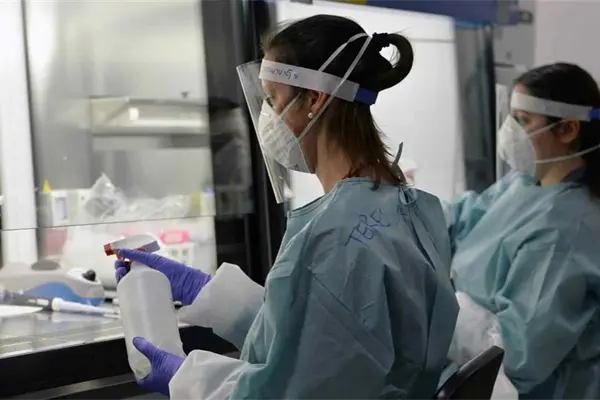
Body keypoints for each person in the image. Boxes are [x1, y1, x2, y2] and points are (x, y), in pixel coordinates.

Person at [115, 15, 458, 400]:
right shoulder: (407, 206)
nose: (267, 116)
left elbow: (290, 388)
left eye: (272, 98)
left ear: (314, 99)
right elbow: (326, 338)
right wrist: (208, 293)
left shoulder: (330, 239)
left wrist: (188, 380)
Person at [447, 63, 600, 399]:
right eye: (511, 118)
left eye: (523, 121)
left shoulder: (566, 230)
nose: (510, 131)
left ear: (568, 129)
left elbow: (518, 355)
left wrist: (443, 311)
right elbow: (463, 217)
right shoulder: (525, 184)